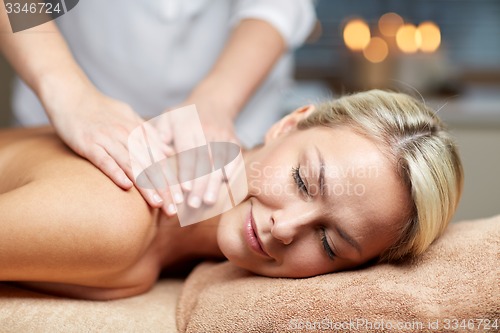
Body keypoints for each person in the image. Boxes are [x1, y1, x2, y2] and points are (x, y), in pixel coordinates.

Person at [0, 90, 463, 300]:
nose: (285, 228)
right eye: (303, 181)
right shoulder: (118, 217)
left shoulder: (173, 237)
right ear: (288, 124)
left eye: (328, 243)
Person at [0, 0, 317, 213]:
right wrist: (67, 89)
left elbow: (278, 6)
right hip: (69, 111)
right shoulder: (107, 219)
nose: (285, 229)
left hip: (235, 114)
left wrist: (216, 102)